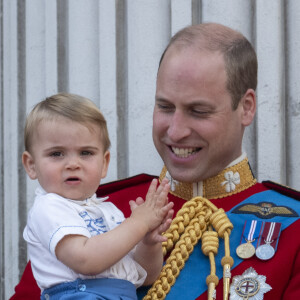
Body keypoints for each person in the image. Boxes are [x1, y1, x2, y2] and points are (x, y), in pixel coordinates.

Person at [11, 23, 300, 300]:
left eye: (198, 111)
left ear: (246, 108)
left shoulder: (293, 226)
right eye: (164, 107)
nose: (175, 131)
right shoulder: (94, 208)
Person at [19, 93, 174, 300]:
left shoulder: (108, 211)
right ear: (31, 165)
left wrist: (148, 243)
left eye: (85, 153)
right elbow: (86, 260)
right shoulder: (48, 207)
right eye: (57, 154)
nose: (73, 164)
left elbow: (146, 277)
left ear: (104, 163)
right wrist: (138, 224)